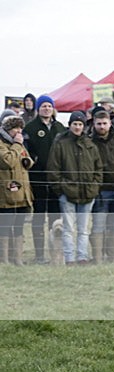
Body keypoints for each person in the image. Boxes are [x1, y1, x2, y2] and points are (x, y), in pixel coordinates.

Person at [47, 111, 103, 265]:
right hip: (68, 192)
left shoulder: (90, 145)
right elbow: (53, 168)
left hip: (87, 192)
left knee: (83, 228)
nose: (77, 127)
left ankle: (82, 257)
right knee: (68, 228)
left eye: (80, 124)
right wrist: (61, 189)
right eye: (75, 124)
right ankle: (69, 258)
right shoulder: (61, 143)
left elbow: (98, 168)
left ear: (84, 126)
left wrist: (94, 186)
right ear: (69, 125)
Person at [23, 94, 66, 264]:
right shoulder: (30, 128)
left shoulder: (60, 128)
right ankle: (39, 255)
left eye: (49, 106)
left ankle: (55, 254)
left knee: (56, 219)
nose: (46, 109)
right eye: (43, 106)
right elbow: (26, 152)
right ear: (38, 108)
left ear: (53, 108)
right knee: (39, 217)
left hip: (56, 180)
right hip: (38, 179)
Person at [89, 110, 114, 263]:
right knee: (98, 225)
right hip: (99, 190)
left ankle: (113, 256)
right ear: (94, 124)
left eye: (104, 123)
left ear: (110, 123)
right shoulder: (89, 141)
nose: (102, 127)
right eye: (98, 124)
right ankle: (98, 257)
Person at [0, 115, 34, 265]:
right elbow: (8, 161)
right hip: (7, 195)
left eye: (21, 128)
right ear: (8, 129)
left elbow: (27, 159)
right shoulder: (4, 144)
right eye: (16, 128)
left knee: (19, 227)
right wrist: (17, 145)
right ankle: (5, 259)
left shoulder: (18, 144)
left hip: (22, 193)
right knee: (5, 227)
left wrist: (27, 161)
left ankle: (18, 258)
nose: (19, 131)